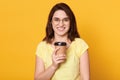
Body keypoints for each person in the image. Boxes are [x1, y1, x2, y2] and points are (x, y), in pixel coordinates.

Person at [34, 2, 90, 80]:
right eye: (57, 20)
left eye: (65, 20)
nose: (61, 24)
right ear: (51, 22)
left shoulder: (80, 45)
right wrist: (53, 66)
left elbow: (85, 78)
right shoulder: (42, 47)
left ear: (71, 22)